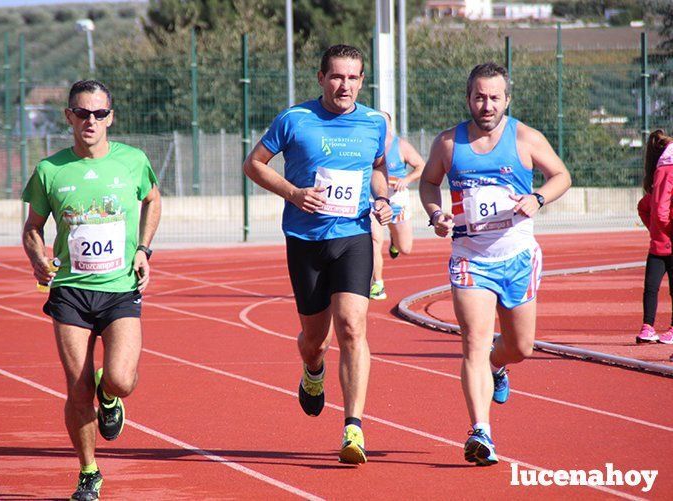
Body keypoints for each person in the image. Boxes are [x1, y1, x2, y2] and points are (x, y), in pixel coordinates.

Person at [242, 44, 392, 465]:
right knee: (315, 340)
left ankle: (354, 426)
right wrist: (293, 192)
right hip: (305, 240)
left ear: (363, 80)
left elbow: (380, 169)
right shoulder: (296, 119)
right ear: (322, 78)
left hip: (354, 235)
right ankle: (312, 371)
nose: (344, 85)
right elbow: (254, 164)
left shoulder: (374, 123)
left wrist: (382, 199)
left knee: (352, 326)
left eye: (353, 77)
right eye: (337, 77)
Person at [419, 62, 571, 466]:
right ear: (468, 98)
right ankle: (480, 431)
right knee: (472, 342)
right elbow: (429, 181)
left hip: (518, 256)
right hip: (471, 258)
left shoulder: (525, 138)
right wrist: (437, 214)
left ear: (507, 99)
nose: (487, 105)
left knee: (520, 347)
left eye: (494, 97)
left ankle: (497, 365)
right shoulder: (449, 144)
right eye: (479, 97)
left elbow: (561, 176)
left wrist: (537, 198)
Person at [21, 80, 161, 500]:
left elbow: (153, 200)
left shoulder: (133, 162)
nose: (91, 121)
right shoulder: (50, 170)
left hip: (120, 288)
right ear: (69, 117)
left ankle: (110, 395)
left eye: (99, 114)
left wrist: (143, 249)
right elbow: (32, 228)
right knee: (76, 388)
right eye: (83, 113)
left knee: (120, 379)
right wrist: (37, 258)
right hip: (70, 292)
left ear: (110, 117)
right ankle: (89, 472)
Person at [369, 111, 425, 300]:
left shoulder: (401, 146)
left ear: (389, 127)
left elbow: (421, 166)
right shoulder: (367, 144)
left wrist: (406, 179)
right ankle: (377, 284)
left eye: (383, 124)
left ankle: (395, 239)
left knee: (405, 248)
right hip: (374, 201)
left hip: (397, 201)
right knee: (374, 241)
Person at [636, 130, 673, 345]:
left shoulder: (657, 176)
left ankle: (647, 327)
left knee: (651, 287)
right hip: (667, 241)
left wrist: (655, 229)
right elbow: (658, 210)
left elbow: (645, 207)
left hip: (657, 245)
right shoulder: (667, 172)